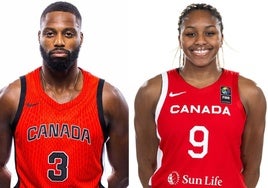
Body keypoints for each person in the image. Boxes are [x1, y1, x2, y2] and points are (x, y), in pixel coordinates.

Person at [134, 3, 266, 188]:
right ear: (180, 39)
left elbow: (252, 168)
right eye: (190, 34)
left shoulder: (250, 93)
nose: (200, 41)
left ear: (221, 38)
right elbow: (145, 165)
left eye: (210, 33)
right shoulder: (152, 91)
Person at [0, 1, 128, 188]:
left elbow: (122, 174)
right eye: (50, 33)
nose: (59, 41)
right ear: (39, 37)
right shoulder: (12, 97)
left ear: (80, 38)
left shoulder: (109, 98)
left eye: (68, 34)